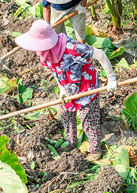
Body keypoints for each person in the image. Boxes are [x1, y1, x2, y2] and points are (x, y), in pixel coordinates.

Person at [15, 19, 117, 160]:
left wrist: (111, 78)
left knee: (88, 119)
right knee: (66, 115)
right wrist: (61, 88)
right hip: (68, 86)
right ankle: (71, 142)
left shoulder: (73, 48)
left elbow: (100, 54)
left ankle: (95, 150)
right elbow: (55, 71)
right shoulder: (45, 53)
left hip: (86, 86)